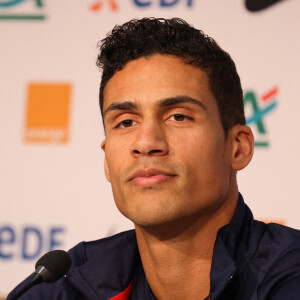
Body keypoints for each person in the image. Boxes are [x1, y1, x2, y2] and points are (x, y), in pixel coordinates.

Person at [8, 17, 300, 300]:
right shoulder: (65, 286)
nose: (146, 143)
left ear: (238, 148)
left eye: (178, 116)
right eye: (125, 122)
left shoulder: (289, 276)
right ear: (107, 161)